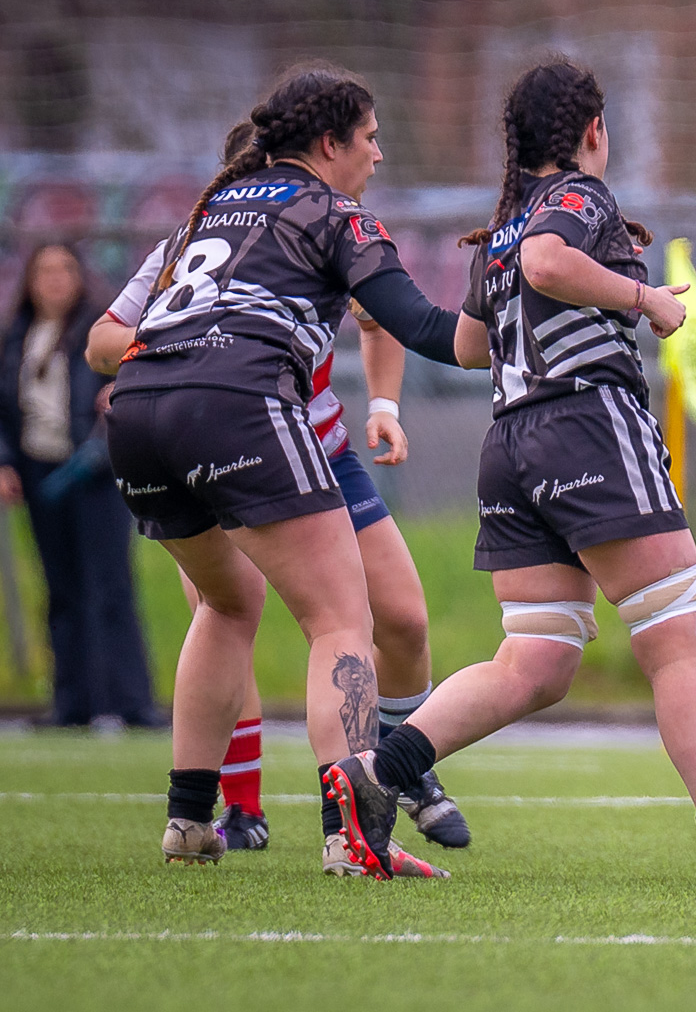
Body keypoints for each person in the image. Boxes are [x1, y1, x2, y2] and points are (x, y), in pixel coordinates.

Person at [327, 59, 696, 887]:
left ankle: (381, 766)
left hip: (513, 444)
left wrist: (375, 291)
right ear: (593, 130)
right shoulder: (574, 201)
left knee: (536, 659)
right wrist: (645, 302)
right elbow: (549, 264)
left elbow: (463, 344)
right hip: (586, 428)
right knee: (677, 640)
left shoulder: (502, 228)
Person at [106, 65, 468, 878]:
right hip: (235, 407)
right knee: (342, 620)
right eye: (370, 138)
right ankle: (353, 836)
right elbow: (428, 328)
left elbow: (124, 331)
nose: (379, 154)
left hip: (137, 412)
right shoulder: (338, 215)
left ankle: (191, 820)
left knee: (229, 604)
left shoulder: (213, 207)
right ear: (330, 143)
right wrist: (520, 305)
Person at [0, 243, 157, 727]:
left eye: (64, 269)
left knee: (109, 585)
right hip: (40, 472)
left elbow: (141, 369)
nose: (53, 280)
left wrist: (119, 392)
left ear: (80, 277)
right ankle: (72, 703)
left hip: (94, 471)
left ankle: (132, 702)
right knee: (60, 587)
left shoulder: (97, 330)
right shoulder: (17, 337)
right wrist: (5, 463)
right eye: (43, 270)